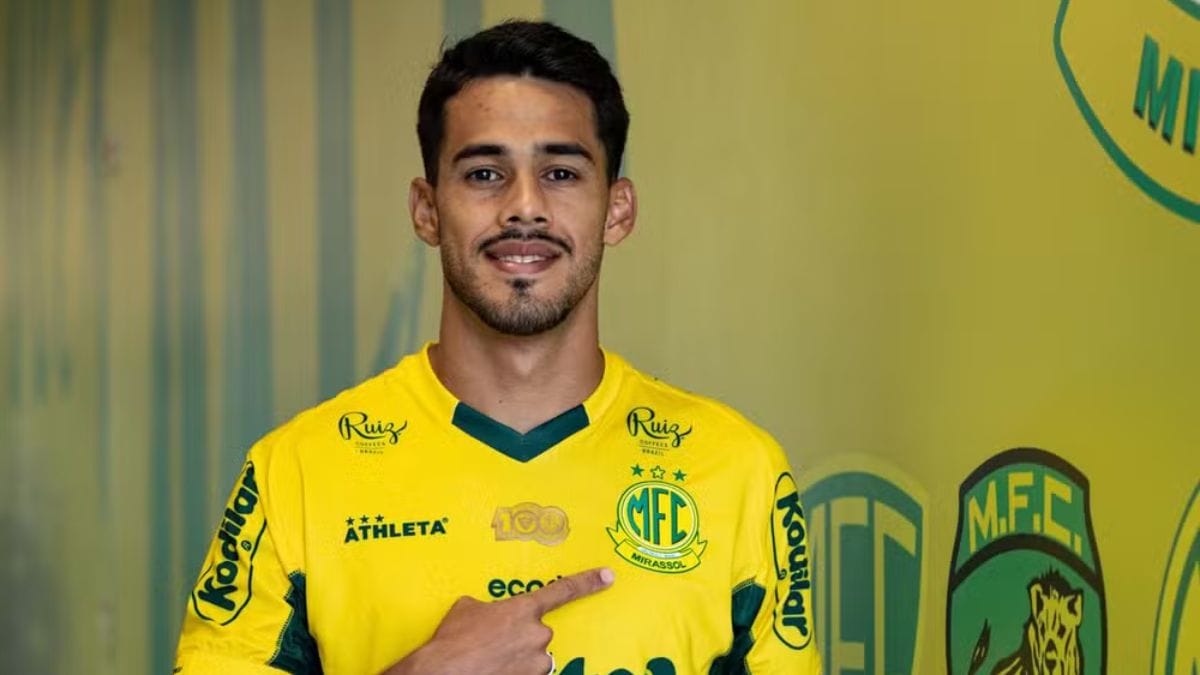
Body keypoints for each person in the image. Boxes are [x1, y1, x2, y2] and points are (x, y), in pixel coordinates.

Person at [174, 20, 821, 675]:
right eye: (485, 173)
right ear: (427, 209)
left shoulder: (738, 471)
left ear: (617, 210)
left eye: (561, 172)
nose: (524, 206)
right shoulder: (297, 473)